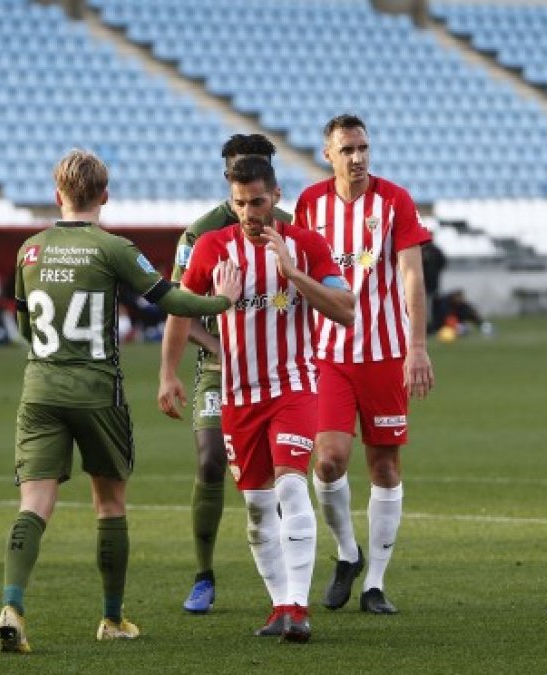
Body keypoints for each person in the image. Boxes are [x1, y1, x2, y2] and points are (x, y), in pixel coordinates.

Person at [0, 149, 243, 653]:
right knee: (109, 503)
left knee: (35, 503)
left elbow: (24, 325)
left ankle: (12, 604)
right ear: (104, 195)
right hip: (96, 392)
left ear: (56, 194)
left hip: (40, 388)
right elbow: (170, 300)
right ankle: (110, 618)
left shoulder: (30, 250)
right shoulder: (114, 248)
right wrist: (223, 301)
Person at [171, 156, 353, 642]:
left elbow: (347, 311)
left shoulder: (307, 244)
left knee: (292, 487)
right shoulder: (211, 247)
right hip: (237, 396)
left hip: (293, 387)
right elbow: (178, 311)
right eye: (239, 203)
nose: (249, 212)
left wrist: (293, 274)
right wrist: (169, 373)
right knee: (256, 507)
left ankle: (299, 606)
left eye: (256, 201)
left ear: (275, 197)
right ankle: (279, 607)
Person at [292, 114, 434, 614]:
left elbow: (412, 280)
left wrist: (417, 347)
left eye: (363, 148)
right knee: (328, 459)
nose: (358, 157)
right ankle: (347, 552)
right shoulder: (309, 205)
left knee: (385, 466)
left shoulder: (394, 201)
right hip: (328, 355)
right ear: (328, 155)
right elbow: (299, 276)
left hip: (385, 353)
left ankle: (374, 583)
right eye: (347, 149)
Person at [157, 134, 293, 614]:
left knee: (286, 473)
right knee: (211, 459)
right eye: (238, 169)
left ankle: (288, 585)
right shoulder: (201, 235)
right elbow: (181, 308)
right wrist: (219, 347)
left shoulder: (294, 229)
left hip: (284, 372)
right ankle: (204, 575)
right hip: (220, 370)